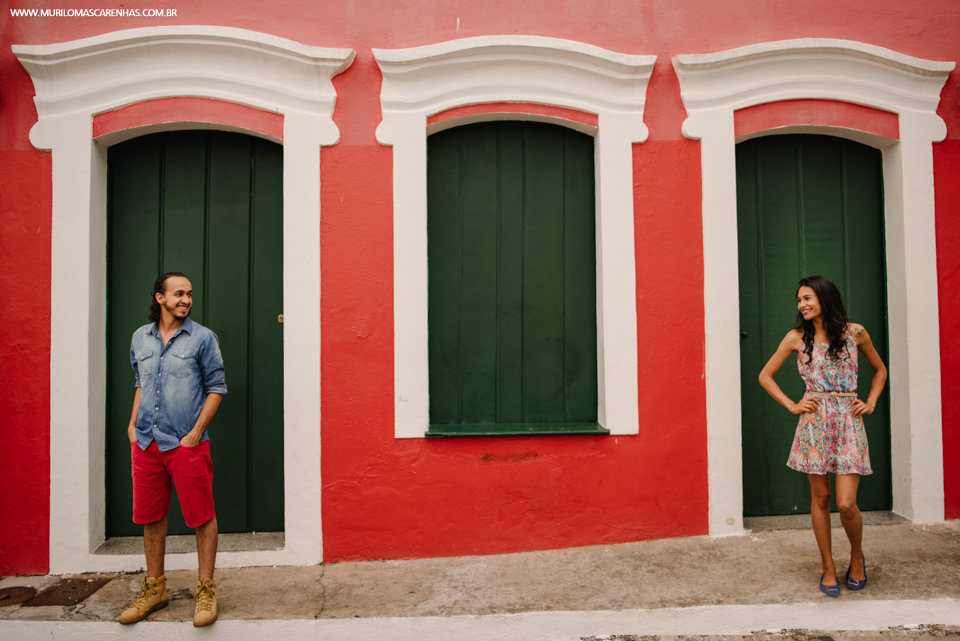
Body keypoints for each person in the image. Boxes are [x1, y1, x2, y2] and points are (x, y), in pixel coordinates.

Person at [758, 275, 887, 597]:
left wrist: (870, 402)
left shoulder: (855, 333)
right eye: (799, 300)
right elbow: (765, 376)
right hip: (814, 423)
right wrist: (793, 405)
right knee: (821, 498)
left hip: (848, 421)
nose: (801, 305)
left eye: (807, 298)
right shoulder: (796, 338)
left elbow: (880, 371)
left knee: (846, 503)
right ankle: (828, 566)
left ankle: (856, 557)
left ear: (825, 298)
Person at [119, 272, 227, 626]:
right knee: (151, 517)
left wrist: (196, 433)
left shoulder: (203, 338)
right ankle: (155, 588)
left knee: (201, 516)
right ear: (160, 298)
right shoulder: (140, 338)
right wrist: (132, 425)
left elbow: (217, 387)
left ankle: (206, 590)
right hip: (146, 442)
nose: (186, 300)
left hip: (185, 443)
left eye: (189, 294)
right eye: (179, 293)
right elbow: (141, 383)